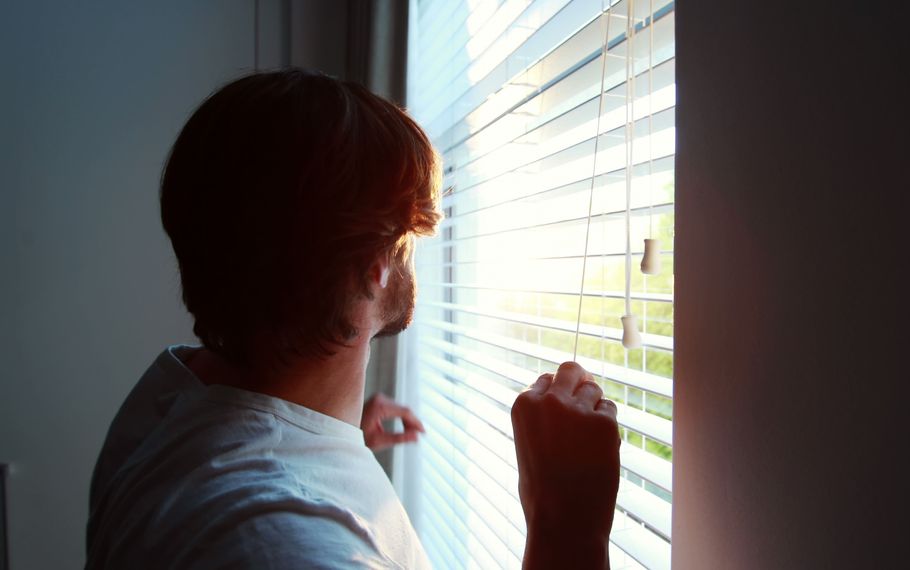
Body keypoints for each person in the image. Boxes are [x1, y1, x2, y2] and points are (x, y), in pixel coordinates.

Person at [85, 69, 621, 569]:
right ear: (374, 266)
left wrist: (327, 442)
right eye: (408, 233)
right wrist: (566, 528)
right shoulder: (291, 543)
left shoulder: (168, 403)